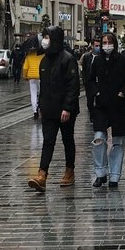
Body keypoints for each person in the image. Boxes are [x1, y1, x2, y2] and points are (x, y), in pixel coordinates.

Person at [28, 26, 81, 192]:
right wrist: (41, 106)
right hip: (49, 109)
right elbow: (43, 88)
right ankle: (42, 174)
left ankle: (69, 171)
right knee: (48, 141)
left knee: (67, 140)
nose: (44, 40)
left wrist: (67, 107)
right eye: (44, 37)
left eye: (47, 37)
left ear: (55, 39)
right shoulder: (44, 60)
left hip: (65, 111)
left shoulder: (68, 59)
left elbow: (73, 85)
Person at [87, 33, 125, 188]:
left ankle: (115, 176)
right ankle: (100, 173)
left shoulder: (123, 61)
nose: (106, 45)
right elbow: (89, 80)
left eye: (109, 42)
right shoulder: (97, 61)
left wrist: (123, 92)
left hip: (119, 106)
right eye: (104, 42)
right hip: (101, 106)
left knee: (118, 142)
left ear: (115, 43)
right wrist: (96, 92)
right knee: (98, 139)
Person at [22, 35, 43, 120]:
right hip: (41, 76)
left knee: (33, 94)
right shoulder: (43, 55)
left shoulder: (29, 56)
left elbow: (25, 68)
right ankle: (41, 108)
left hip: (31, 77)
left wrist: (25, 76)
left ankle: (35, 111)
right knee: (42, 93)